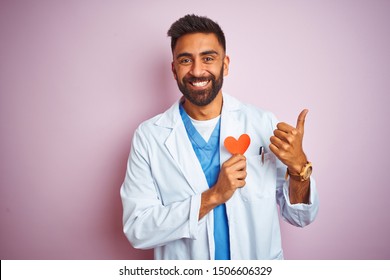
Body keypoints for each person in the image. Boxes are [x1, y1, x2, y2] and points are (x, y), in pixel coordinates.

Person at [120, 14, 319, 260]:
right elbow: (138, 229)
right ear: (174, 69)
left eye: (208, 58)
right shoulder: (149, 137)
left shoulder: (262, 124)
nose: (197, 70)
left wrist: (299, 167)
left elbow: (300, 216)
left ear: (224, 64)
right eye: (185, 60)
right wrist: (215, 195)